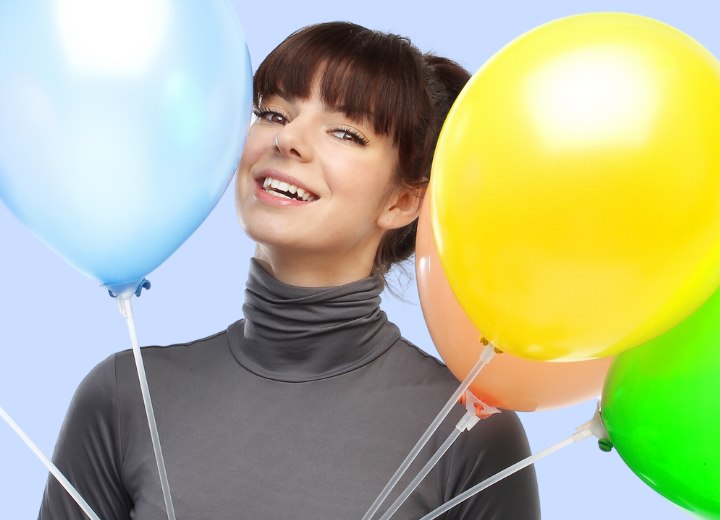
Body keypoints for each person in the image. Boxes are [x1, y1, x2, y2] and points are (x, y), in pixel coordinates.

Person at [39, 21, 540, 519]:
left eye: (345, 132)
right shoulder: (124, 397)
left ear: (404, 200)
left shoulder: (467, 432)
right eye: (273, 113)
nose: (289, 139)